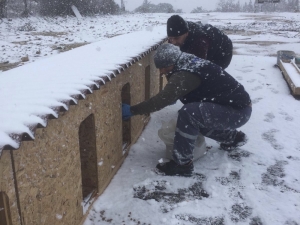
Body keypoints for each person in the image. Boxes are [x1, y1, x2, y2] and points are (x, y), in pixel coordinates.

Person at [122, 43, 252, 177]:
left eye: (163, 68)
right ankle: (233, 138)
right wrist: (175, 93)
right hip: (238, 108)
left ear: (172, 62)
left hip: (237, 112)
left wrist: (132, 110)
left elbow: (161, 100)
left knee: (189, 114)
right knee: (197, 120)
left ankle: (182, 164)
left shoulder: (184, 74)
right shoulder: (186, 60)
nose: (161, 72)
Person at [166, 15, 233, 69]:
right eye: (170, 38)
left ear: (186, 33)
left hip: (222, 52)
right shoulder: (176, 34)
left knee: (204, 73)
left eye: (177, 38)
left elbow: (196, 67)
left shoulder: (200, 42)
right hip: (207, 43)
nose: (173, 42)